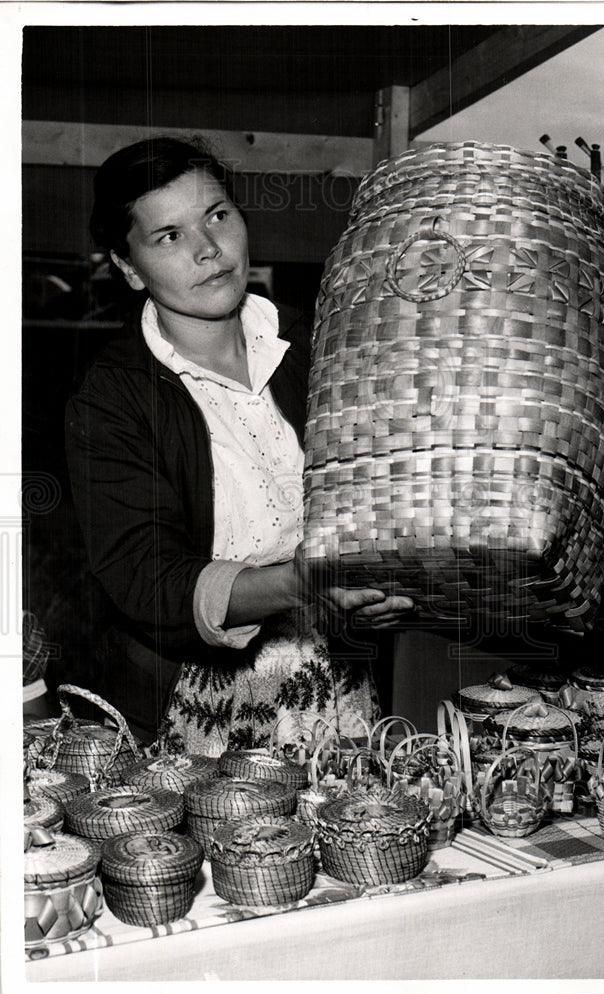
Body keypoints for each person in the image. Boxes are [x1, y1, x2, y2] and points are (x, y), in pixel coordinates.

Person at [65, 136, 413, 754]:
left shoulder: (323, 345)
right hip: (185, 712)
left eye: (217, 216)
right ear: (127, 267)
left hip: (335, 693)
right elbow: (147, 577)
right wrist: (297, 584)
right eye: (168, 236)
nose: (208, 250)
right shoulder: (112, 398)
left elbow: (382, 492)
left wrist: (371, 594)